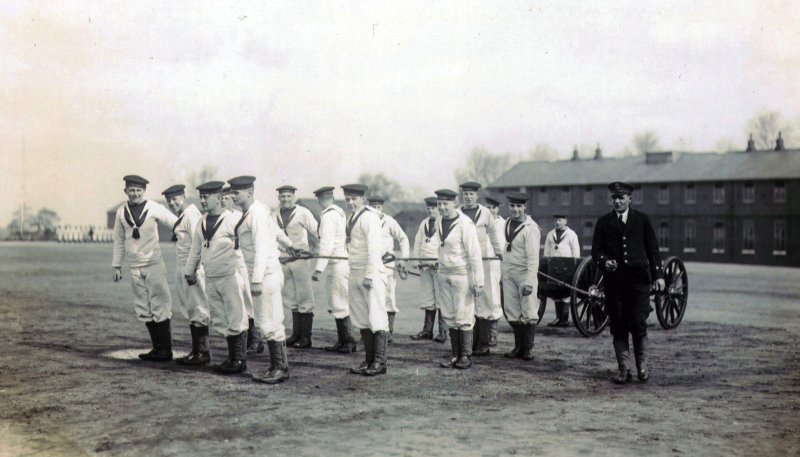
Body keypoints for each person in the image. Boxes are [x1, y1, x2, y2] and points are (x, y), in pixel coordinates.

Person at [592, 182, 664, 384]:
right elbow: (596, 251)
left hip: (639, 282)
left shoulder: (642, 220)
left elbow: (653, 250)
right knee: (618, 325)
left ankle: (642, 366)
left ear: (630, 199)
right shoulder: (603, 222)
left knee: (638, 322)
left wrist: (658, 276)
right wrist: (605, 262)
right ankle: (624, 369)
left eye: (621, 198)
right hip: (614, 284)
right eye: (614, 198)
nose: (617, 201)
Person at [229, 176, 297, 384]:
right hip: (265, 272)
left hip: (265, 274)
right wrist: (289, 245)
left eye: (236, 193)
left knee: (269, 321)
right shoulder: (256, 210)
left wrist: (256, 279)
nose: (232, 196)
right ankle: (277, 366)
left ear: (249, 192)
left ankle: (280, 368)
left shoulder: (256, 213)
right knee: (267, 320)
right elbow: (275, 231)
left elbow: (262, 247)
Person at [183, 181, 249, 374]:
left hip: (229, 276)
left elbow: (251, 241)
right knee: (220, 318)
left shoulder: (233, 219)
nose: (202, 200)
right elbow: (195, 249)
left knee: (236, 316)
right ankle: (232, 358)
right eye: (201, 197)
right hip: (210, 277)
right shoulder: (201, 221)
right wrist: (190, 270)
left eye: (206, 197)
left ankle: (239, 359)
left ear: (219, 198)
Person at [111, 175, 178, 362]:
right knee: (142, 306)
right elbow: (118, 240)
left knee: (160, 304)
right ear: (126, 191)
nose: (135, 194)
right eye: (131, 190)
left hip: (153, 263)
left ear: (144, 191)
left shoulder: (154, 207)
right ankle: (156, 348)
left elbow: (176, 223)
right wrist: (117, 266)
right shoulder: (120, 212)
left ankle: (166, 349)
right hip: (134, 265)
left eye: (139, 190)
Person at [342, 184, 389, 376]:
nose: (350, 203)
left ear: (362, 199)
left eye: (354, 199)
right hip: (355, 269)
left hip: (370, 273)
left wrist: (370, 275)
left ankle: (380, 361)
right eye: (347, 199)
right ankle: (369, 359)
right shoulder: (352, 217)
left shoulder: (369, 217)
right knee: (361, 317)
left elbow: (374, 248)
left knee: (376, 316)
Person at [162, 184, 212, 366]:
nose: (172, 203)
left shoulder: (191, 214)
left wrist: (193, 269)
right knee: (190, 307)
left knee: (198, 307)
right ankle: (197, 350)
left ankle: (203, 352)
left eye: (175, 199)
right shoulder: (183, 215)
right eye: (169, 201)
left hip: (193, 268)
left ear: (183, 196)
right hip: (183, 266)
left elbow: (198, 244)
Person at [435, 189, 483, 369]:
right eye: (439, 204)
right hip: (444, 273)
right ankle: (455, 354)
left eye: (445, 204)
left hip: (462, 274)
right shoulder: (440, 220)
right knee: (448, 314)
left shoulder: (465, 224)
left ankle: (465, 356)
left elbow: (475, 254)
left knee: (463, 314)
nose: (442, 208)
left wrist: (478, 281)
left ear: (454, 203)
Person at [458, 182, 503, 356]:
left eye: (471, 194)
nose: (468, 197)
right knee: (468, 301)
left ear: (477, 196)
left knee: (484, 300)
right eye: (465, 194)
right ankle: (470, 343)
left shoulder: (486, 213)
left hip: (483, 262)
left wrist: (498, 252)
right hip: (464, 262)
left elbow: (493, 235)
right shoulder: (457, 212)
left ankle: (483, 344)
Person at [311, 186, 356, 353]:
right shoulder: (338, 212)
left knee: (340, 302)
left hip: (337, 263)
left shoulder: (329, 216)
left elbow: (327, 244)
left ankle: (349, 341)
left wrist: (318, 269)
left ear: (321, 199)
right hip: (335, 262)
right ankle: (342, 340)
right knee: (336, 302)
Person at [275, 185, 319, 349]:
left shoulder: (303, 212)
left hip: (301, 259)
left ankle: (306, 338)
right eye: (282, 196)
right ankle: (296, 334)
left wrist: (316, 249)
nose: (285, 199)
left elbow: (317, 231)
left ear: (293, 197)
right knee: (290, 297)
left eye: (288, 196)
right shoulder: (274, 214)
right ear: (279, 198)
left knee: (305, 297)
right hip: (284, 260)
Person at [222, 185, 262, 355]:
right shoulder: (219, 218)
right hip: (229, 264)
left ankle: (256, 340)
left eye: (227, 198)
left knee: (249, 300)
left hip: (243, 262)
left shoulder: (241, 216)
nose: (224, 201)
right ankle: (243, 340)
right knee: (236, 302)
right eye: (221, 199)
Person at [501, 192, 540, 361]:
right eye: (512, 206)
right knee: (512, 310)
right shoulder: (506, 223)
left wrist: (530, 282)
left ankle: (527, 349)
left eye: (518, 206)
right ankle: (518, 346)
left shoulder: (530, 228)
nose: (515, 210)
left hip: (525, 274)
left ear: (524, 207)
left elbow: (533, 258)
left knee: (528, 310)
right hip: (509, 272)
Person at [367, 196, 409, 343]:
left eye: (378, 207)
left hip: (388, 264)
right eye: (373, 207)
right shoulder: (366, 220)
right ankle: (371, 330)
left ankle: (388, 331)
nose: (376, 210)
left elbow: (403, 238)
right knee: (371, 297)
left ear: (382, 208)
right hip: (371, 264)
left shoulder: (389, 221)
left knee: (388, 297)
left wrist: (404, 259)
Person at [410, 196, 448, 343]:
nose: (431, 211)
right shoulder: (424, 223)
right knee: (427, 299)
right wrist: (416, 260)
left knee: (441, 299)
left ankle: (443, 332)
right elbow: (418, 243)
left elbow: (445, 246)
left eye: (434, 208)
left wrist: (440, 262)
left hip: (439, 267)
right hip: (425, 267)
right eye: (429, 208)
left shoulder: (443, 223)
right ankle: (427, 331)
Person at [542, 214, 581, 327]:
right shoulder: (550, 234)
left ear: (565, 221)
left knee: (565, 293)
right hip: (554, 267)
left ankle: (564, 319)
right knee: (556, 294)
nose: (557, 222)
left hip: (567, 267)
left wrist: (575, 267)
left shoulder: (571, 234)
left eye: (560, 220)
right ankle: (559, 318)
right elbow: (547, 252)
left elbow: (576, 252)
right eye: (556, 220)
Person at [483, 194, 505, 346]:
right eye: (488, 208)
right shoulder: (481, 221)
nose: (490, 210)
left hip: (496, 264)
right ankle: (481, 334)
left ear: (498, 209)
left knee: (494, 297)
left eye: (493, 208)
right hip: (481, 263)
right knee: (481, 298)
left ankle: (493, 334)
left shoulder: (503, 224)